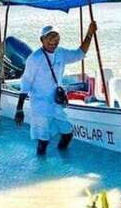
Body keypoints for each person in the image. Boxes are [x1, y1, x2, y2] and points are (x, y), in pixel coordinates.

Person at [15, 21, 98, 155]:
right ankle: (41, 166)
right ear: (42, 40)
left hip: (57, 103)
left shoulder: (61, 53)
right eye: (50, 38)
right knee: (43, 141)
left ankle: (63, 159)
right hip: (41, 105)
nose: (53, 41)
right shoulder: (34, 58)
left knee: (68, 134)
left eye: (56, 38)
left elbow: (80, 53)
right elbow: (26, 84)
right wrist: (19, 109)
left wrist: (89, 34)